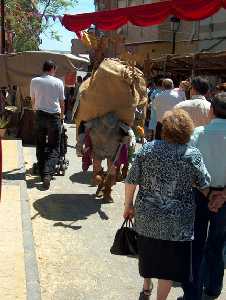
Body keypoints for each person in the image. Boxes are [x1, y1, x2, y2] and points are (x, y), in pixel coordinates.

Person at [123, 109, 211, 300]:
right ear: (188, 130)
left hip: (147, 217)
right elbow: (204, 184)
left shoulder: (147, 150)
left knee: (147, 255)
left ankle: (146, 287)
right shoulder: (192, 154)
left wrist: (128, 205)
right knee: (168, 269)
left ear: (164, 130)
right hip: (178, 223)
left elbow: (131, 180)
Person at [179, 93, 226, 300]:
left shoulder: (198, 133)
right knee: (217, 243)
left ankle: (193, 295)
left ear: (211, 110)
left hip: (199, 194)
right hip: (224, 199)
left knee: (195, 244)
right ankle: (213, 288)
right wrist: (222, 195)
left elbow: (187, 166)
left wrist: (208, 193)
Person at [30, 60, 65, 189]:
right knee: (53, 146)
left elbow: (33, 100)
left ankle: (41, 171)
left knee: (40, 144)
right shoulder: (58, 82)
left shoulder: (35, 81)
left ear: (44, 69)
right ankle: (47, 175)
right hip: (53, 117)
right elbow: (62, 103)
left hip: (39, 115)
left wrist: (36, 112)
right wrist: (61, 118)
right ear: (52, 69)